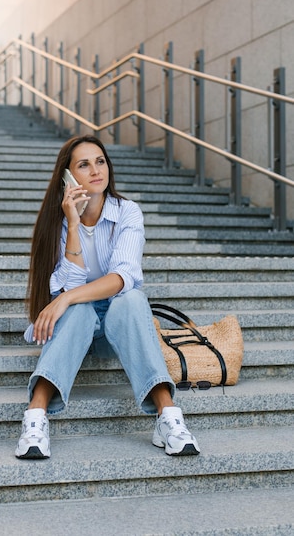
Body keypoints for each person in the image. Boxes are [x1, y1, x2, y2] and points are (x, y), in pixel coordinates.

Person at [15, 135, 200, 459]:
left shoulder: (127, 212)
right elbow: (66, 289)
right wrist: (73, 224)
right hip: (75, 329)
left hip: (119, 329)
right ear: (68, 177)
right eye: (83, 164)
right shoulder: (57, 224)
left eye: (100, 161)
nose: (96, 170)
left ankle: (168, 417)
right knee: (80, 310)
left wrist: (64, 299)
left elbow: (122, 277)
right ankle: (35, 418)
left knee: (130, 299)